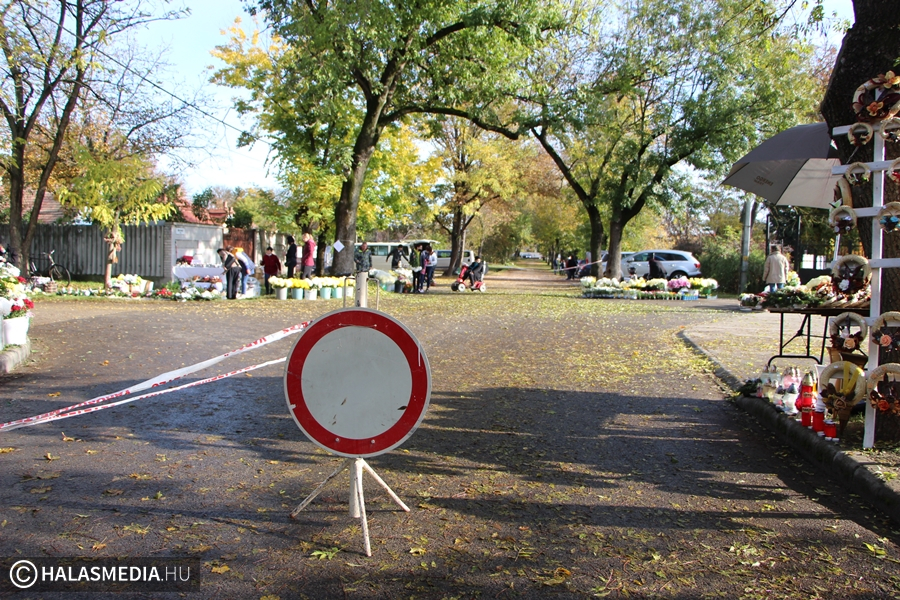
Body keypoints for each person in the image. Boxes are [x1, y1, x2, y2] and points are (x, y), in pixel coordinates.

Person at [354, 241, 373, 307]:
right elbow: (354, 257)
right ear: (362, 246)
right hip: (360, 267)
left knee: (365, 281)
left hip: (366, 268)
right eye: (363, 246)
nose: (364, 247)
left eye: (365, 246)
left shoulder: (368, 251)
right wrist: (357, 261)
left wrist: (371, 265)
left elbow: (370, 258)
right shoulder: (357, 251)